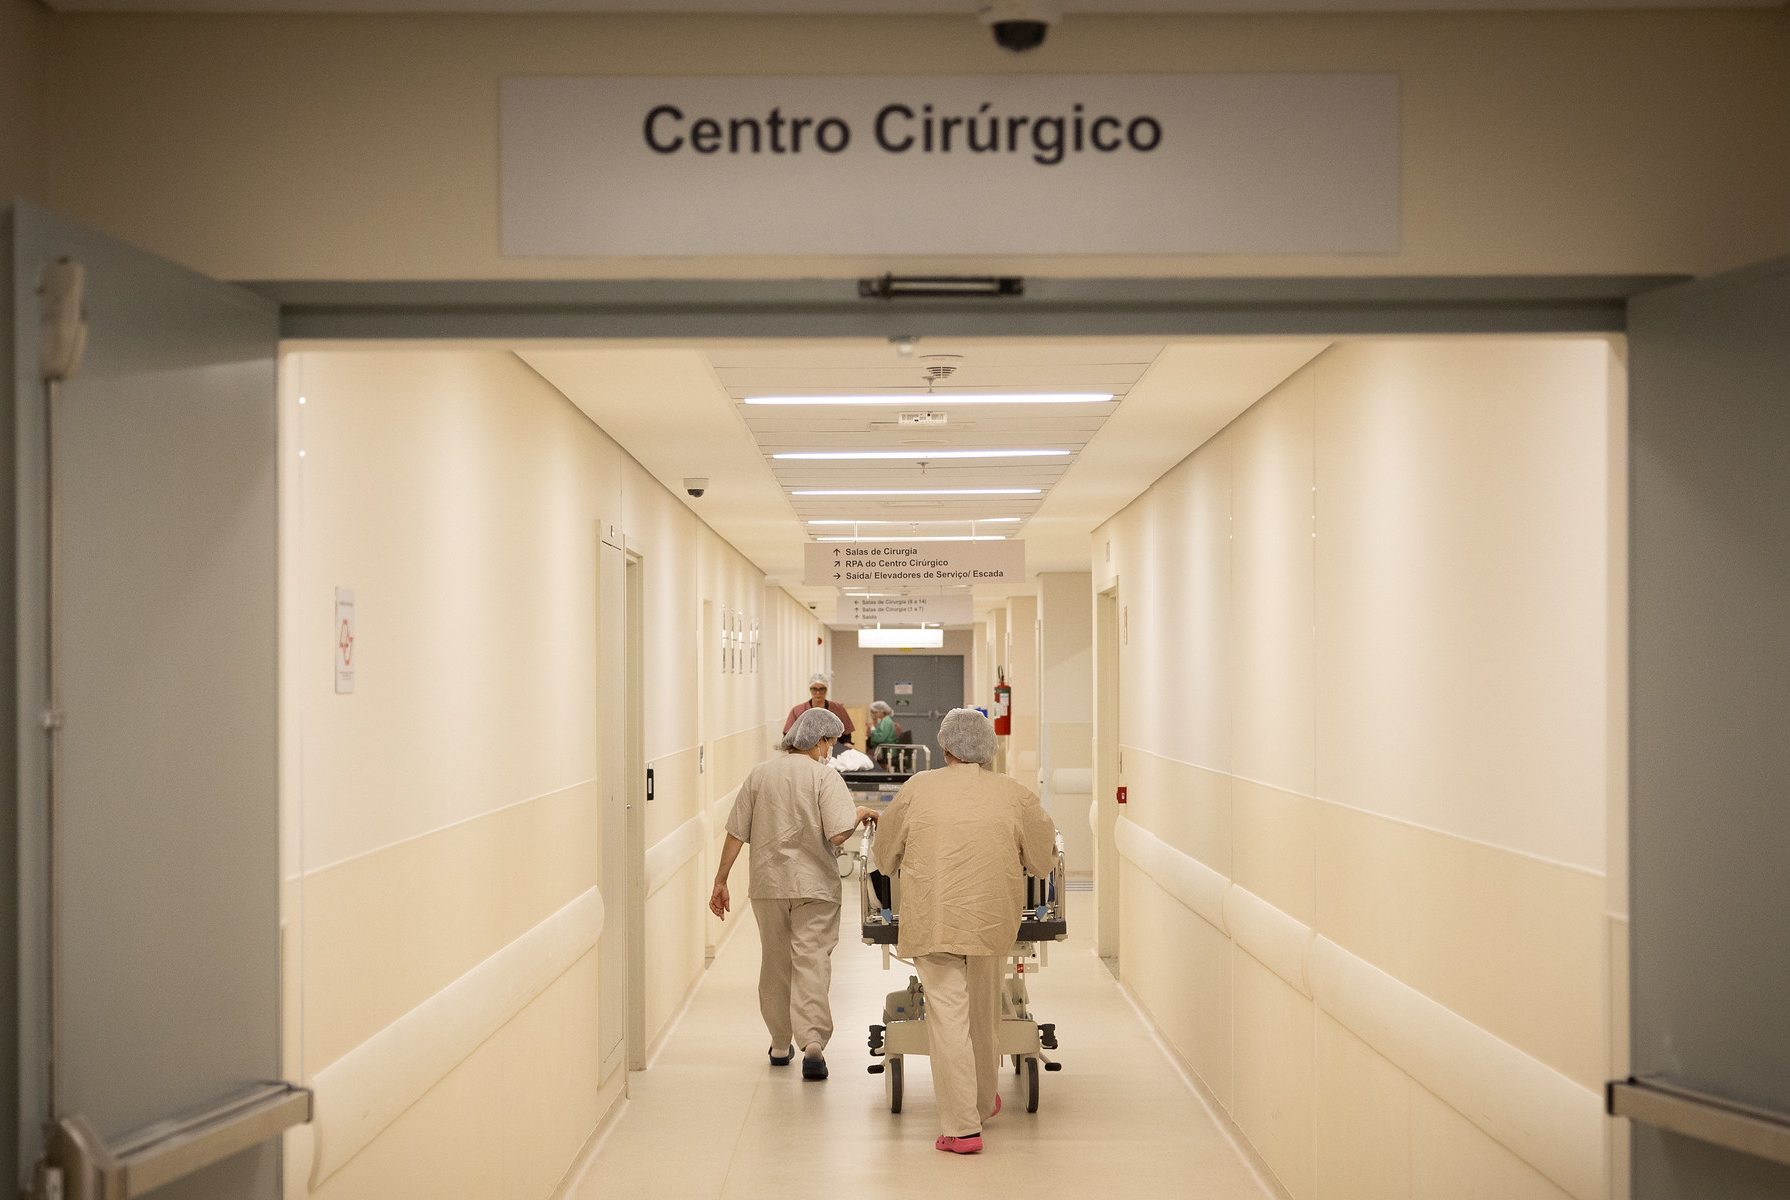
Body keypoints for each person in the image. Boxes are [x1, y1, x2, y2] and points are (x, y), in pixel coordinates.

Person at [874, 708, 1058, 1155]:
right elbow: (1042, 860)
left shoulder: (917, 789)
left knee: (948, 1018)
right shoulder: (1013, 794)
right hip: (991, 921)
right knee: (985, 1014)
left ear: (945, 747)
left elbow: (883, 857)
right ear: (988, 749)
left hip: (934, 918)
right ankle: (981, 1101)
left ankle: (961, 1128)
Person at [710, 706, 877, 1080]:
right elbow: (838, 834)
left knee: (775, 960)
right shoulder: (825, 777)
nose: (830, 750)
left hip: (769, 885)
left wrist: (721, 880)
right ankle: (812, 1043)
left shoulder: (759, 775)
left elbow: (736, 832)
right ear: (819, 741)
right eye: (830, 743)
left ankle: (780, 1042)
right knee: (811, 960)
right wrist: (859, 812)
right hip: (814, 887)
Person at [782, 673, 855, 751]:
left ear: (826, 690)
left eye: (821, 689)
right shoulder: (797, 711)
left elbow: (846, 735)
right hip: (805, 751)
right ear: (810, 689)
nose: (818, 693)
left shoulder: (838, 709)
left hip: (834, 750)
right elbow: (788, 736)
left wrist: (847, 745)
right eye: (814, 689)